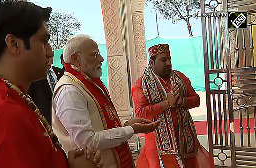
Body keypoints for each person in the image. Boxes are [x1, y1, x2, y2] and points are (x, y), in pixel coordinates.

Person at [0, 1, 102, 168]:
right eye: (43, 41)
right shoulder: (4, 118)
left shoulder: (5, 97)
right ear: (14, 44)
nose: (50, 52)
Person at [52, 34, 160, 168]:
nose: (101, 59)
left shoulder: (88, 83)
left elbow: (100, 125)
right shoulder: (69, 90)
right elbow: (87, 142)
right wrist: (130, 130)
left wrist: (126, 124)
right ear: (76, 59)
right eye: (94, 55)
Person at [131, 44, 214, 168]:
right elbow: (141, 113)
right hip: (158, 143)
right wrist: (166, 103)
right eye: (163, 60)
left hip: (185, 139)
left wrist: (182, 101)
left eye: (169, 59)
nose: (168, 63)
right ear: (151, 62)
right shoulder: (141, 85)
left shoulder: (180, 78)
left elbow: (196, 100)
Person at [28, 55, 62, 125]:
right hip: (47, 119)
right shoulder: (34, 77)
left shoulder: (60, 71)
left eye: (50, 56)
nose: (49, 59)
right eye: (46, 56)